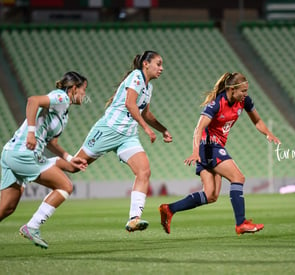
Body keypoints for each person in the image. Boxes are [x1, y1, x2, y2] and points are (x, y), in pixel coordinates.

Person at [57, 51, 172, 232]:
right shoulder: (136, 77)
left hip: (128, 136)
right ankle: (41, 163)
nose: (161, 68)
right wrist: (146, 129)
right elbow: (130, 104)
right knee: (73, 167)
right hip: (109, 130)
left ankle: (134, 218)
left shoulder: (149, 88)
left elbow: (145, 113)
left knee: (144, 171)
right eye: (158, 64)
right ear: (146, 64)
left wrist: (162, 129)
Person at [159, 72, 280, 235]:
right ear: (232, 90)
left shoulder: (244, 102)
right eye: (243, 91)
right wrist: (195, 152)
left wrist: (268, 133)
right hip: (208, 146)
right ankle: (241, 223)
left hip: (214, 146)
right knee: (238, 178)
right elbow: (199, 128)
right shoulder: (216, 103)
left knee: (211, 195)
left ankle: (169, 209)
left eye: (246, 91)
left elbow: (257, 121)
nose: (246, 94)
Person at [0, 72, 88, 249]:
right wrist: (31, 132)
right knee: (65, 186)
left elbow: (52, 143)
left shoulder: (64, 115)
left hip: (12, 153)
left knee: (7, 208)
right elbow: (33, 100)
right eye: (83, 90)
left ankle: (31, 227)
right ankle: (32, 227)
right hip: (23, 153)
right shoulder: (61, 97)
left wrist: (71, 158)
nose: (84, 95)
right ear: (73, 89)